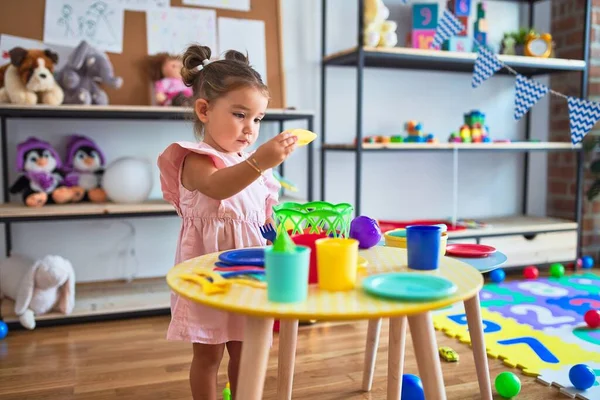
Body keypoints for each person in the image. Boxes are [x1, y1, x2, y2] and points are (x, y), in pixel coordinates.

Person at [156, 44, 298, 399]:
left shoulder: (250, 162)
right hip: (210, 276)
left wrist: (279, 230)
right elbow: (220, 187)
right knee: (207, 353)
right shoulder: (197, 160)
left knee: (246, 349)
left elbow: (260, 214)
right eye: (239, 114)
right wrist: (260, 162)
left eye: (258, 119)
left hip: (249, 271)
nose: (250, 129)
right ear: (204, 110)